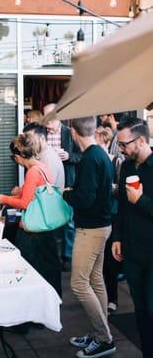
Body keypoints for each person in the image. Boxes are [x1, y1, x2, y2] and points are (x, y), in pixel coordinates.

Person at [63, 116, 116, 358]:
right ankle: (99, 332)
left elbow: (85, 198)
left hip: (91, 229)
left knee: (78, 283)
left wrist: (67, 194)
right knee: (95, 280)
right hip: (102, 226)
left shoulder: (89, 159)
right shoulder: (101, 154)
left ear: (74, 132)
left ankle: (104, 339)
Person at [0, 133, 62, 297]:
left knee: (28, 267)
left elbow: (25, 203)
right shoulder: (42, 166)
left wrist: (3, 198)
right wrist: (12, 197)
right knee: (50, 265)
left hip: (34, 228)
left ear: (18, 157)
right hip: (47, 224)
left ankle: (32, 305)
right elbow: (33, 195)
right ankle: (53, 299)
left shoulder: (32, 172)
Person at [112, 118, 153, 358]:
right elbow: (121, 206)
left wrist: (142, 201)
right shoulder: (126, 167)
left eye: (124, 144)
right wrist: (117, 237)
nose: (121, 150)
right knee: (139, 308)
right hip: (132, 249)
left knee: (151, 307)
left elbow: (137, 203)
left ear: (141, 140)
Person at [43, 103, 82, 271]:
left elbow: (81, 156)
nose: (47, 120)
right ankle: (52, 255)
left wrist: (69, 156)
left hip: (66, 183)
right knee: (49, 220)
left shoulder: (69, 132)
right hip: (46, 183)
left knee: (69, 222)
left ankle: (67, 257)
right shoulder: (40, 134)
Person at [95, 126, 123, 315]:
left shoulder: (116, 162)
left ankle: (112, 299)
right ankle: (101, 296)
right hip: (97, 216)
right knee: (99, 260)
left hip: (112, 215)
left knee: (110, 261)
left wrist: (105, 187)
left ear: (105, 141)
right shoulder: (93, 160)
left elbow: (121, 190)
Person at [23, 122, 65, 189]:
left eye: (31, 138)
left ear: (41, 138)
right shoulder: (40, 154)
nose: (28, 142)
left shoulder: (49, 158)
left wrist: (22, 191)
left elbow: (45, 190)